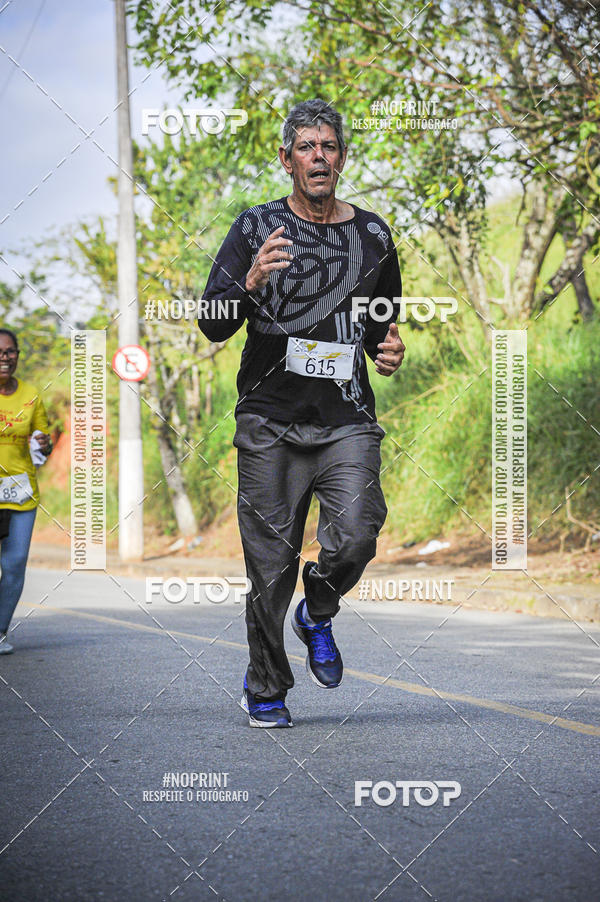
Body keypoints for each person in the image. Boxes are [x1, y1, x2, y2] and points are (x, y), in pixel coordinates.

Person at [199, 99, 405, 727]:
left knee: (359, 531)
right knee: (270, 566)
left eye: (329, 146)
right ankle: (266, 686)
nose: (319, 157)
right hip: (269, 421)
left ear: (342, 157)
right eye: (307, 147)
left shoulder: (373, 236)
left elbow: (379, 321)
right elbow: (211, 322)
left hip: (346, 419)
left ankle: (317, 610)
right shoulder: (255, 228)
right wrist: (250, 281)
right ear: (286, 158)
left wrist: (389, 348)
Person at [0, 328, 52, 654]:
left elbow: (42, 444)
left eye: (9, 351)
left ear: (17, 355)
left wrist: (44, 444)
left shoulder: (31, 395)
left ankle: (0, 630)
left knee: (15, 564)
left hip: (20, 492)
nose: (4, 358)